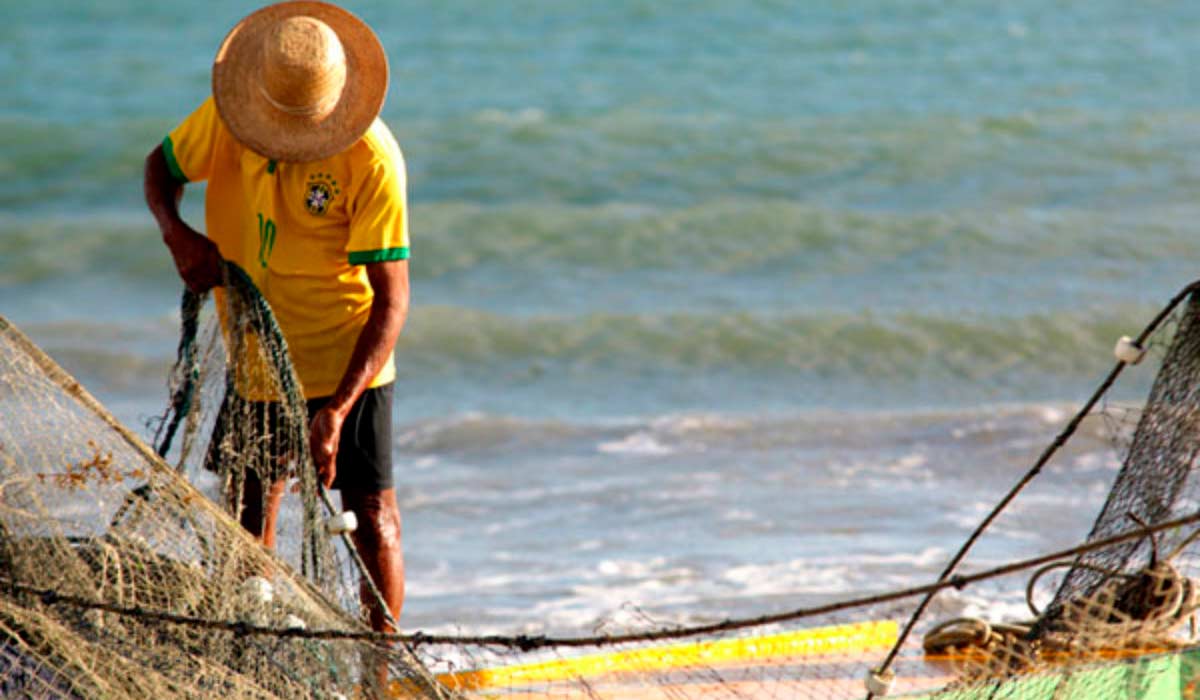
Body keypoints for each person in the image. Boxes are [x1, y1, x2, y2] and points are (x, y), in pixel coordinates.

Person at [143, 1, 408, 636]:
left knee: (369, 516)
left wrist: (337, 411)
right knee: (244, 525)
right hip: (255, 358)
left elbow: (392, 300)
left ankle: (381, 661)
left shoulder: (371, 158)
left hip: (348, 362)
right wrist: (176, 235)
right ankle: (252, 649)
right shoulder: (230, 118)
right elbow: (160, 168)